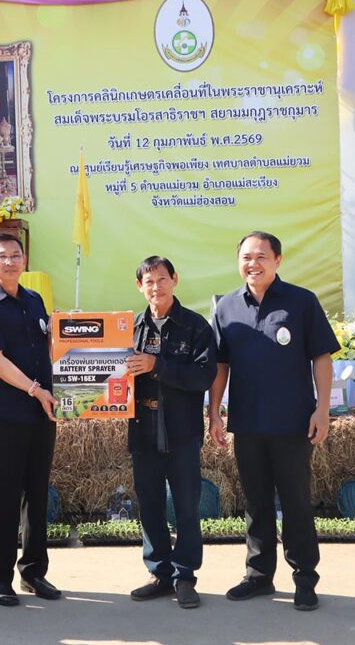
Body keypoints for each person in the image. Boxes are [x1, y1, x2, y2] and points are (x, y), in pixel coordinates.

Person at [207, 231, 340, 612]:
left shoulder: (301, 301)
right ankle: (259, 575)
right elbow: (220, 365)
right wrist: (214, 412)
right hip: (247, 423)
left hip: (292, 422)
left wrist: (322, 409)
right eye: (246, 257)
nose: (253, 264)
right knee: (256, 502)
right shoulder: (226, 306)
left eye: (261, 256)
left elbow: (321, 357)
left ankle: (305, 578)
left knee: (296, 502)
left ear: (278, 260)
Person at [0, 234, 60, 607]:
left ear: (24, 260)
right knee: (4, 495)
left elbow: (49, 348)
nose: (10, 262)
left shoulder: (34, 299)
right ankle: (0, 578)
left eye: (15, 255)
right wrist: (35, 390)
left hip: (42, 412)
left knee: (37, 493)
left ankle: (33, 572)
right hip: (5, 412)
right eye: (2, 256)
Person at [125, 256, 217, 609]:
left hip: (181, 430)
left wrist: (156, 365)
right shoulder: (130, 327)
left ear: (174, 279)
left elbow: (203, 377)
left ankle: (185, 576)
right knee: (149, 504)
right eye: (148, 281)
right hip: (143, 429)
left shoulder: (195, 327)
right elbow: (110, 374)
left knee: (186, 506)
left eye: (162, 279)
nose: (156, 287)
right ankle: (159, 573)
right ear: (139, 286)